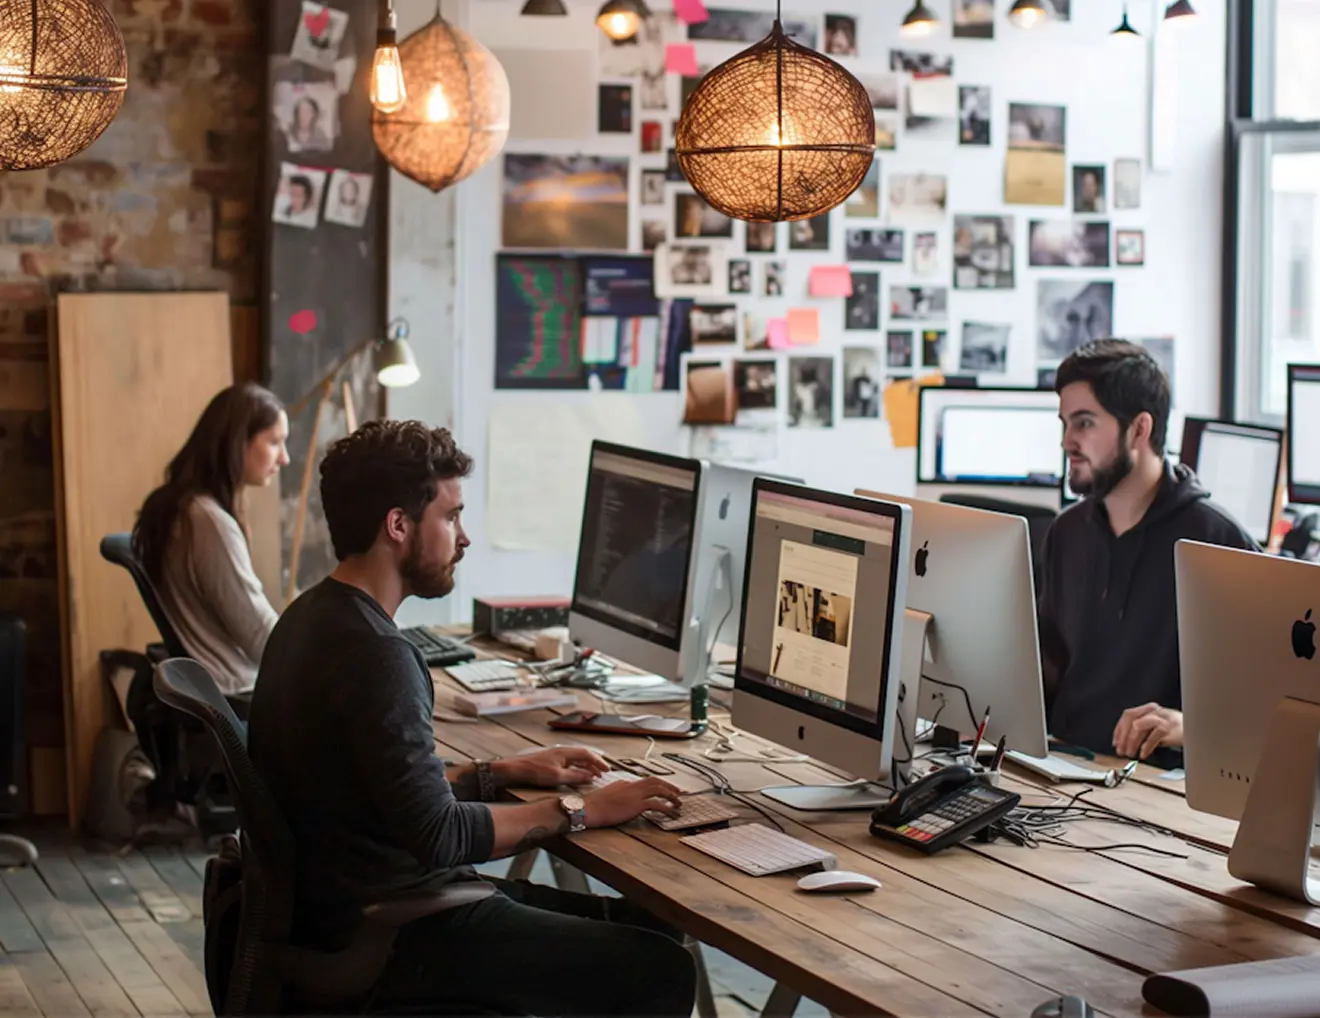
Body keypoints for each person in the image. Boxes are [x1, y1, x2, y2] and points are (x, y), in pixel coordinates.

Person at [247, 420, 697, 1017]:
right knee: (657, 968)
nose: (464, 539)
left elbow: (374, 786)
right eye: (451, 516)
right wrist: (583, 810)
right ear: (399, 525)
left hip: (347, 910)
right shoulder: (380, 656)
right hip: (389, 935)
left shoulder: (308, 620)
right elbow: (439, 835)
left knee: (650, 928)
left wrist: (501, 770)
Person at [1036, 340, 1258, 765]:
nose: (1067, 441)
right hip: (1061, 767)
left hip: (1155, 786)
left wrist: (1188, 725)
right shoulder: (1065, 533)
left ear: (1139, 428)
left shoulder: (1217, 542)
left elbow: (1273, 698)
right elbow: (1046, 670)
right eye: (1065, 423)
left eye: (1084, 423)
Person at [133, 383, 288, 697]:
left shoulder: (184, 507)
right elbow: (260, 638)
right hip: (239, 694)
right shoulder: (208, 522)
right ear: (236, 442)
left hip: (222, 691)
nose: (284, 458)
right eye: (274, 442)